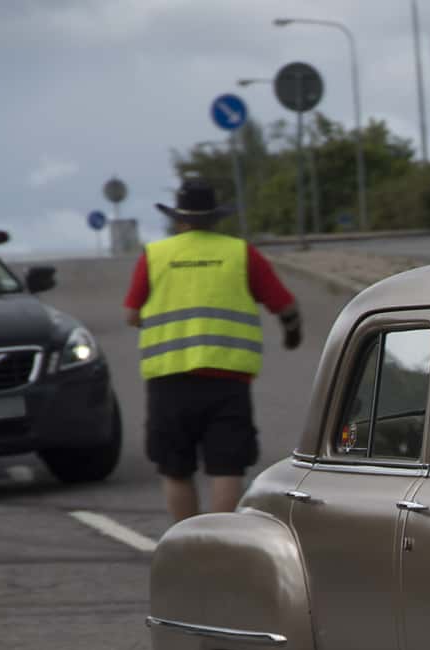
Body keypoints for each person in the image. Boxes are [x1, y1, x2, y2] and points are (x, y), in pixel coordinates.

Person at [123, 177, 302, 522]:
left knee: (175, 468)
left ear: (178, 218)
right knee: (227, 465)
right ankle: (219, 542)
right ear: (216, 217)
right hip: (227, 379)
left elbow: (132, 314)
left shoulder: (155, 255)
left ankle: (186, 543)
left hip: (168, 379)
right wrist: (292, 331)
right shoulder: (239, 253)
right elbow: (285, 305)